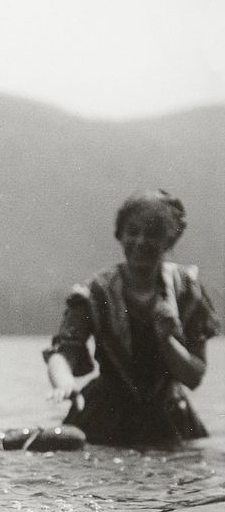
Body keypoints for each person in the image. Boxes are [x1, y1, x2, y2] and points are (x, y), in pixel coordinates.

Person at [44, 189, 220, 446]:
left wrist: (167, 339)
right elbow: (63, 352)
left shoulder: (186, 290)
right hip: (105, 412)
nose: (140, 241)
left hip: (168, 412)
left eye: (153, 234)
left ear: (170, 240)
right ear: (120, 234)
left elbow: (194, 377)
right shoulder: (96, 291)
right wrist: (65, 383)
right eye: (133, 231)